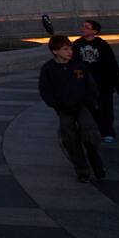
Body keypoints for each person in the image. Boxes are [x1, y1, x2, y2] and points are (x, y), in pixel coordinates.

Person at [38, 35, 105, 182]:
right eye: (65, 49)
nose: (69, 52)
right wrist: (56, 104)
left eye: (70, 49)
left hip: (82, 106)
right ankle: (82, 170)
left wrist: (90, 102)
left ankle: (97, 165)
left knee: (90, 136)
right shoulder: (49, 68)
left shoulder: (78, 66)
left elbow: (90, 85)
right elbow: (45, 90)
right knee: (70, 139)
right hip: (63, 108)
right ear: (55, 51)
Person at [74, 19, 119, 142]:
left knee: (105, 108)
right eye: (83, 26)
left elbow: (112, 65)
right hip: (85, 84)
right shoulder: (77, 44)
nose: (83, 29)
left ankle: (107, 132)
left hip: (103, 83)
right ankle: (90, 131)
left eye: (86, 27)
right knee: (88, 109)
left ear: (94, 31)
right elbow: (74, 65)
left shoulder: (103, 45)